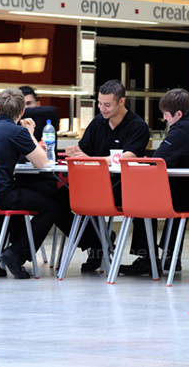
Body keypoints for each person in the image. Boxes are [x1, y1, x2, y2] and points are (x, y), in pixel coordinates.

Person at [119, 88, 189, 276]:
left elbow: (158, 162)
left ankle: (147, 258)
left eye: (166, 115)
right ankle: (171, 257)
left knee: (141, 198)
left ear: (179, 114)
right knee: (176, 190)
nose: (165, 119)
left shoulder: (182, 129)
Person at [0, 88, 73, 278]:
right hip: (0, 195)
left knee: (10, 204)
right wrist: (29, 133)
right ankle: (16, 254)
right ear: (22, 111)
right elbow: (42, 162)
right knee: (52, 207)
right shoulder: (17, 132)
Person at [64, 79, 150, 271]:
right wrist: (75, 152)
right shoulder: (98, 122)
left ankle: (144, 258)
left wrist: (92, 159)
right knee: (58, 200)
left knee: (144, 200)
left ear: (121, 102)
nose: (102, 109)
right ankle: (98, 242)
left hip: (123, 187)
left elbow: (129, 156)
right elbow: (83, 150)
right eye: (100, 104)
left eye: (107, 105)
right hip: (95, 185)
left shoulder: (137, 126)